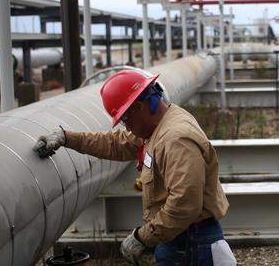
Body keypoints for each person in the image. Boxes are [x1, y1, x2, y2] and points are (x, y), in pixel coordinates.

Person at [33, 70, 236, 266]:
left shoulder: (176, 139)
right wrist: (67, 138)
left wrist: (142, 237)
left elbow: (184, 205)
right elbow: (116, 143)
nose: (126, 127)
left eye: (125, 119)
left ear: (139, 107)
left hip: (191, 243)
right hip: (178, 237)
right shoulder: (159, 126)